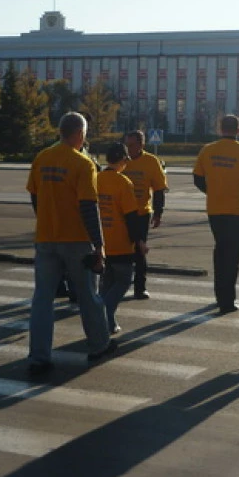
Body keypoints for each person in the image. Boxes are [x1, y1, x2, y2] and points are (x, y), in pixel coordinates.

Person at [25, 111, 116, 376]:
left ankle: (39, 356)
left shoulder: (42, 158)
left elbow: (35, 198)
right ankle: (99, 345)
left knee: (42, 298)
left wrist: (44, 222)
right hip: (76, 240)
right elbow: (89, 207)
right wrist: (98, 245)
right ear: (79, 134)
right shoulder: (83, 163)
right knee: (88, 295)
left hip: (46, 239)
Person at [193, 114, 239, 314]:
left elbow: (197, 179)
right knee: (232, 256)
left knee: (220, 251)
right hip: (237, 210)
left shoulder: (208, 150)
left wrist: (213, 191)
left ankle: (219, 296)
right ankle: (228, 301)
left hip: (215, 209)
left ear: (220, 129)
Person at [98, 142, 148, 333]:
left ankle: (107, 323)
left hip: (101, 240)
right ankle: (104, 313)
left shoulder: (96, 178)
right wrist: (139, 241)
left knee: (107, 282)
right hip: (120, 242)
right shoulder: (124, 183)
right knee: (124, 281)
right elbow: (131, 216)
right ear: (123, 160)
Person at [123, 129, 168, 299]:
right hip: (121, 213)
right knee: (120, 249)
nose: (129, 149)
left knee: (139, 250)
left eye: (132, 145)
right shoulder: (122, 160)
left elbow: (159, 189)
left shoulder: (151, 162)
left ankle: (140, 287)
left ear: (141, 145)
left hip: (141, 213)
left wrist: (158, 213)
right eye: (127, 145)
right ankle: (117, 282)